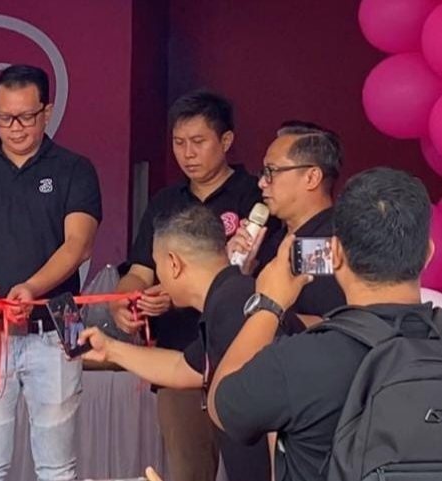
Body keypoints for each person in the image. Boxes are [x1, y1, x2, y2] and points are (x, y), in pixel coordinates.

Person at [208, 167, 436, 481]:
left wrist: (268, 305)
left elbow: (224, 406)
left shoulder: (300, 360)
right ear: (427, 255)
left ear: (336, 253)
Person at [0, 64, 102, 481]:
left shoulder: (75, 168)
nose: (15, 128)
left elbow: (78, 244)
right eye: (5, 117)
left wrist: (32, 287)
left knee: (58, 466)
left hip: (60, 321)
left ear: (47, 111)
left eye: (26, 117)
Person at [110, 89, 276, 481]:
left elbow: (267, 278)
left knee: (256, 470)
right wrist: (127, 301)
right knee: (188, 471)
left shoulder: (257, 196)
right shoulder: (165, 202)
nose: (188, 153)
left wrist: (180, 295)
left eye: (198, 141)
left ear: (226, 140)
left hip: (242, 357)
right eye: (179, 143)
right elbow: (139, 271)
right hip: (178, 357)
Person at [80, 205, 270, 481]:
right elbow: (182, 367)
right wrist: (109, 348)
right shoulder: (228, 298)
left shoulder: (233, 307)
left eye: (157, 267)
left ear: (173, 264)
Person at [227, 121, 345, 330]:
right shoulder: (272, 241)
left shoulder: (332, 244)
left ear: (312, 177)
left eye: (271, 171)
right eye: (263, 172)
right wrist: (238, 272)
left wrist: (267, 312)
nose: (262, 182)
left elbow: (332, 324)